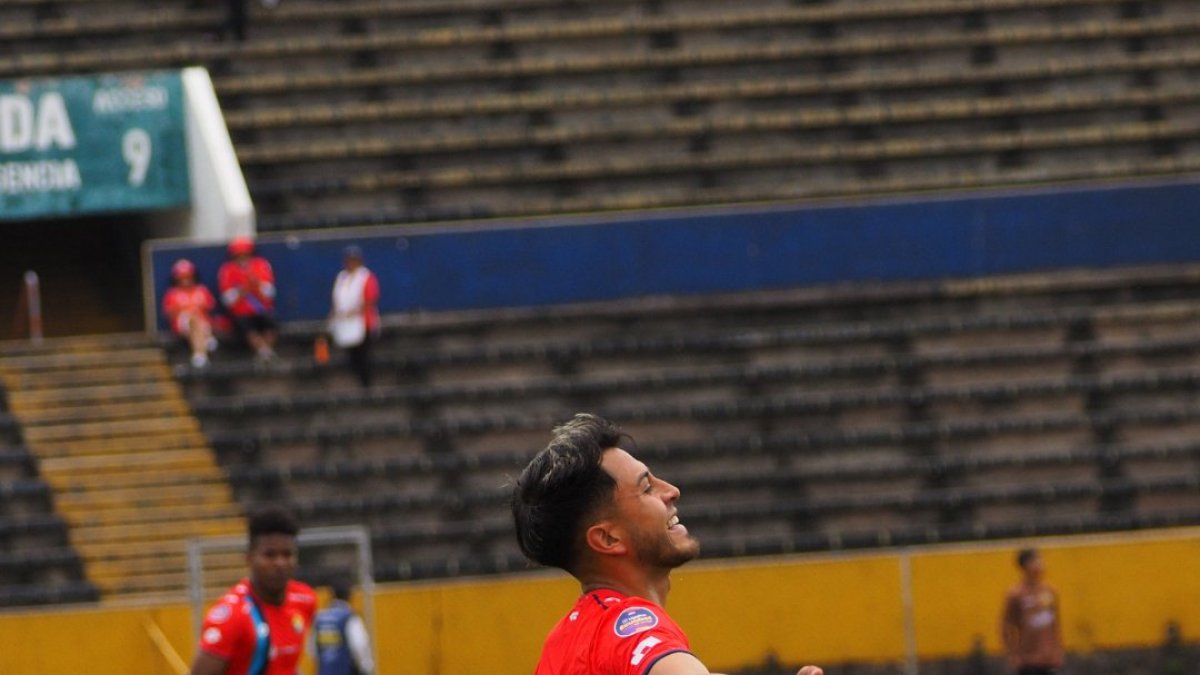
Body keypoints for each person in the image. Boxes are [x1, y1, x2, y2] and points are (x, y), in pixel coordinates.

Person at [511, 413, 824, 675]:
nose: (671, 490)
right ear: (608, 538)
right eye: (647, 488)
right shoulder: (629, 624)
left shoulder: (564, 641)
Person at [189, 505, 317, 675]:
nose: (280, 563)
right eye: (269, 555)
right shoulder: (233, 616)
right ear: (249, 558)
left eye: (287, 554)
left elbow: (286, 664)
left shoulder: (305, 599)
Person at [1000, 548, 1064, 675]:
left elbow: (1055, 624)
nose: (1040, 565)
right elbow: (1006, 626)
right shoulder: (1016, 595)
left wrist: (1057, 649)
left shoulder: (1049, 592)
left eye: (1040, 561)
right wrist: (1013, 654)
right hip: (1028, 660)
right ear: (1025, 566)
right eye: (1035, 562)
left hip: (1048, 658)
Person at [218, 236, 279, 362]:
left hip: (261, 309)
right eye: (239, 255)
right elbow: (227, 300)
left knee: (270, 321)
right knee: (245, 325)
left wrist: (256, 284)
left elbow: (270, 293)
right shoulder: (227, 270)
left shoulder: (261, 265)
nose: (243, 258)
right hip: (240, 312)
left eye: (245, 254)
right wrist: (243, 289)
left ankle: (266, 351)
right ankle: (263, 351)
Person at [328, 245, 380, 388]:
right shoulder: (342, 277)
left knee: (363, 355)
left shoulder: (366, 276)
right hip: (345, 323)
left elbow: (370, 299)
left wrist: (354, 311)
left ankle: (367, 384)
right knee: (352, 356)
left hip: (363, 323)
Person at [163, 259, 218, 368]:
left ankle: (200, 355)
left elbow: (210, 307)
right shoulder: (172, 293)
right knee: (193, 319)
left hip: (203, 323)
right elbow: (169, 314)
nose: (186, 280)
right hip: (182, 324)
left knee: (197, 325)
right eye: (182, 278)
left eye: (188, 277)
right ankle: (205, 342)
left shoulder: (202, 290)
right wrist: (187, 312)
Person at [313, 578, 375, 675]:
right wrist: (366, 669)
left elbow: (312, 649)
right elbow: (360, 646)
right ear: (349, 594)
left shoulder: (319, 618)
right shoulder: (349, 617)